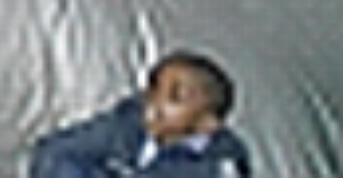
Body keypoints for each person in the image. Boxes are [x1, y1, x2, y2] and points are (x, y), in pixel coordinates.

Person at [29, 50, 253, 177]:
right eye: (154, 89)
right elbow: (52, 153)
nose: (155, 102)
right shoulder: (128, 121)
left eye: (174, 98)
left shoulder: (218, 167)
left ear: (206, 124)